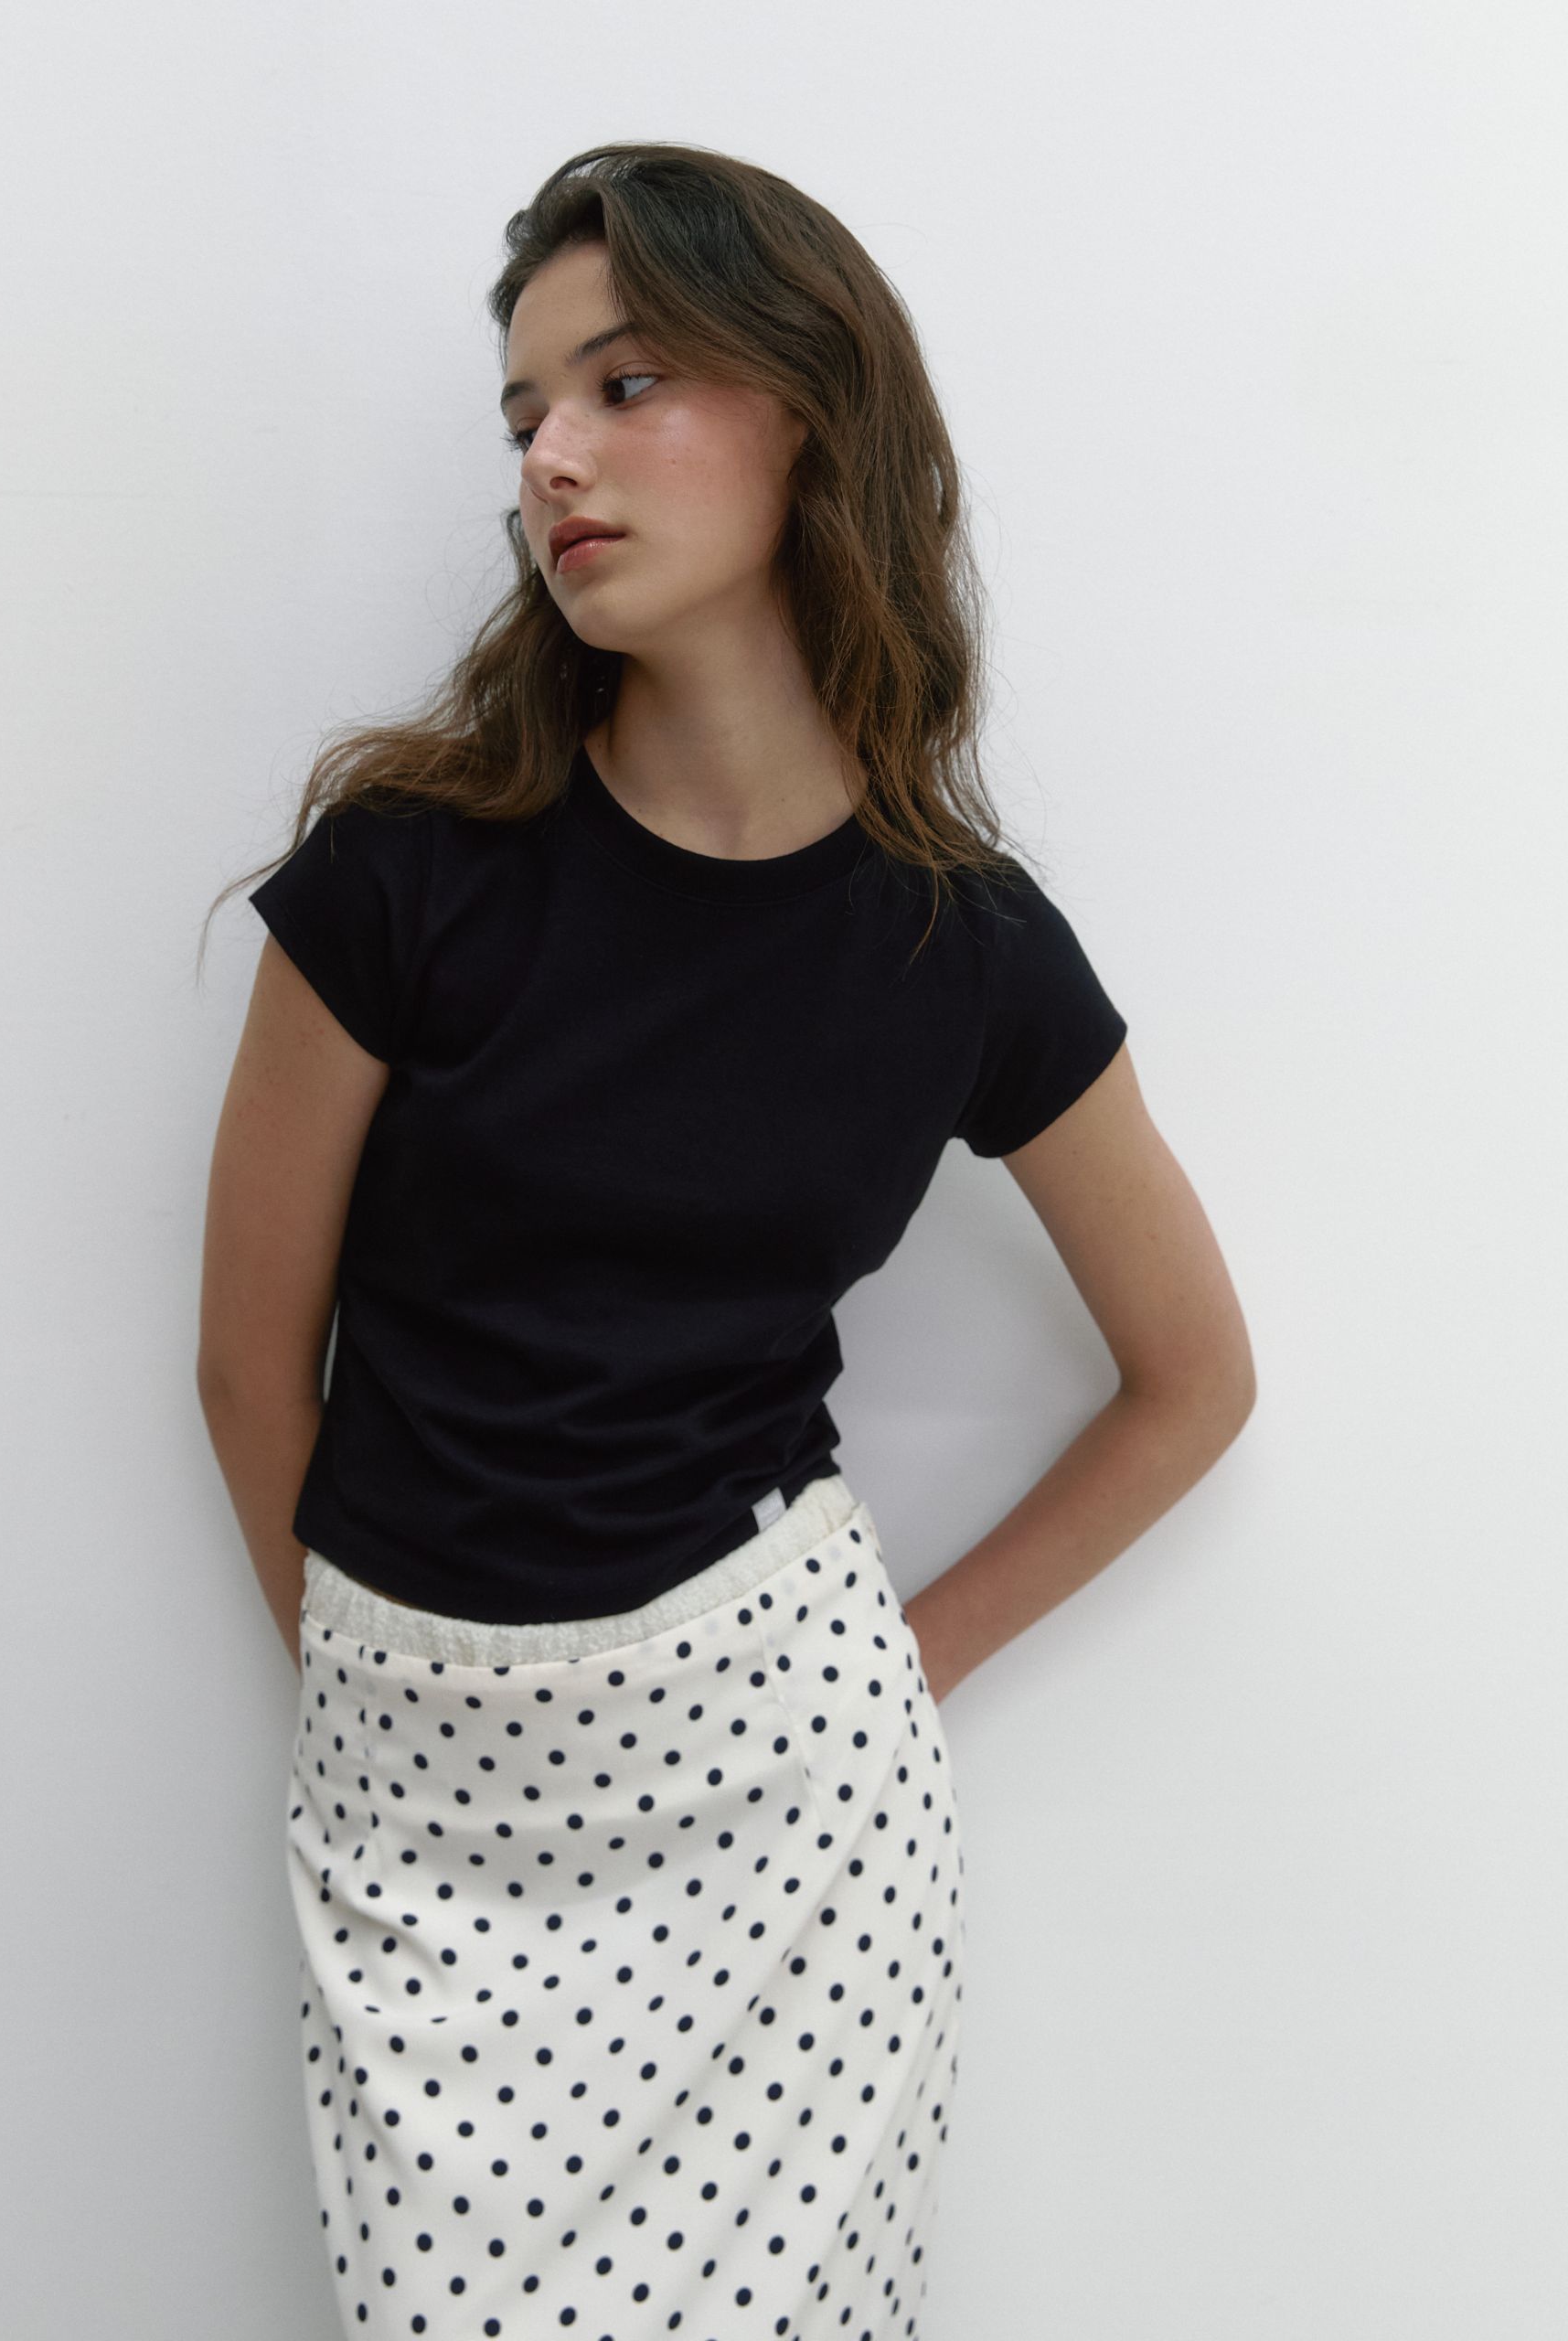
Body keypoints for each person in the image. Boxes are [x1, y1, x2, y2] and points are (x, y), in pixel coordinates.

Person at [196, 141, 1254, 2341]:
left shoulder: (964, 948)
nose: (551, 459)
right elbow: (244, 1365)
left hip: (783, 1818)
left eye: (624, 381)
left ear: (808, 409)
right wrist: (398, 1692)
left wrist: (896, 1671)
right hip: (421, 1820)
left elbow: (1193, 1378)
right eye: (525, 415)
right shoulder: (405, 875)